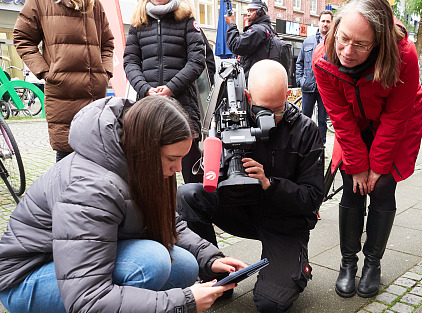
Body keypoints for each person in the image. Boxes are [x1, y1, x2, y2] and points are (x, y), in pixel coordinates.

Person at [0, 96, 245, 313]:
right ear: (146, 148)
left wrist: (210, 258)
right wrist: (183, 303)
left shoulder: (144, 163)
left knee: (184, 265)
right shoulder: (90, 186)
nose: (178, 168)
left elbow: (170, 224)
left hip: (72, 269)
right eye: (172, 159)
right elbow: (86, 297)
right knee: (151, 262)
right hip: (25, 283)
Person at [177, 60, 324, 313]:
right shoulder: (231, 119)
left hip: (284, 221)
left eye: (278, 110)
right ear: (248, 96)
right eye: (264, 110)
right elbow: (210, 180)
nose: (271, 119)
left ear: (288, 93)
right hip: (242, 208)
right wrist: (216, 157)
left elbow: (312, 197)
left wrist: (269, 184)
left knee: (271, 306)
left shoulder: (306, 130)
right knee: (188, 195)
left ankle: (296, 267)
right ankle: (216, 273)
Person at [313, 0, 422, 299]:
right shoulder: (323, 58)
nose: (348, 52)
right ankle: (348, 263)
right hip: (355, 120)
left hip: (397, 119)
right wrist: (359, 164)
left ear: (379, 42)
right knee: (352, 184)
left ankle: (372, 264)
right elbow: (340, 118)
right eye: (344, 40)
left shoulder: (403, 54)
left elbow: (397, 115)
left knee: (383, 185)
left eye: (361, 45)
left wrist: (377, 164)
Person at [13, 0, 114, 162]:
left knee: (97, 161)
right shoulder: (40, 3)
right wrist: (46, 72)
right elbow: (22, 38)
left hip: (95, 95)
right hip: (63, 94)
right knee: (66, 161)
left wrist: (104, 72)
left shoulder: (94, 4)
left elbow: (107, 43)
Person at [123, 0, 212, 184]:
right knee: (152, 174)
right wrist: (145, 89)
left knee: (192, 172)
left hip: (184, 106)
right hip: (148, 107)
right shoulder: (138, 22)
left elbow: (197, 60)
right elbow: (130, 62)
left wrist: (171, 87)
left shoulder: (187, 18)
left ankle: (194, 210)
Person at [295, 10, 332, 144]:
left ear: (331, 24)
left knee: (322, 120)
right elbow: (299, 62)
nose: (325, 24)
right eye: (323, 21)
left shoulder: (334, 43)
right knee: (305, 119)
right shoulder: (308, 41)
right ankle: (304, 144)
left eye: (328, 21)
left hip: (325, 90)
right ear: (318, 22)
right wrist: (301, 80)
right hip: (308, 87)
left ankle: (320, 146)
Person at [225, 0, 273, 80]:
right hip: (259, 78)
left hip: (254, 80)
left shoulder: (258, 30)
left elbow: (235, 45)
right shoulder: (266, 28)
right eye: (248, 11)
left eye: (252, 11)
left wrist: (231, 24)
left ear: (260, 12)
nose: (248, 14)